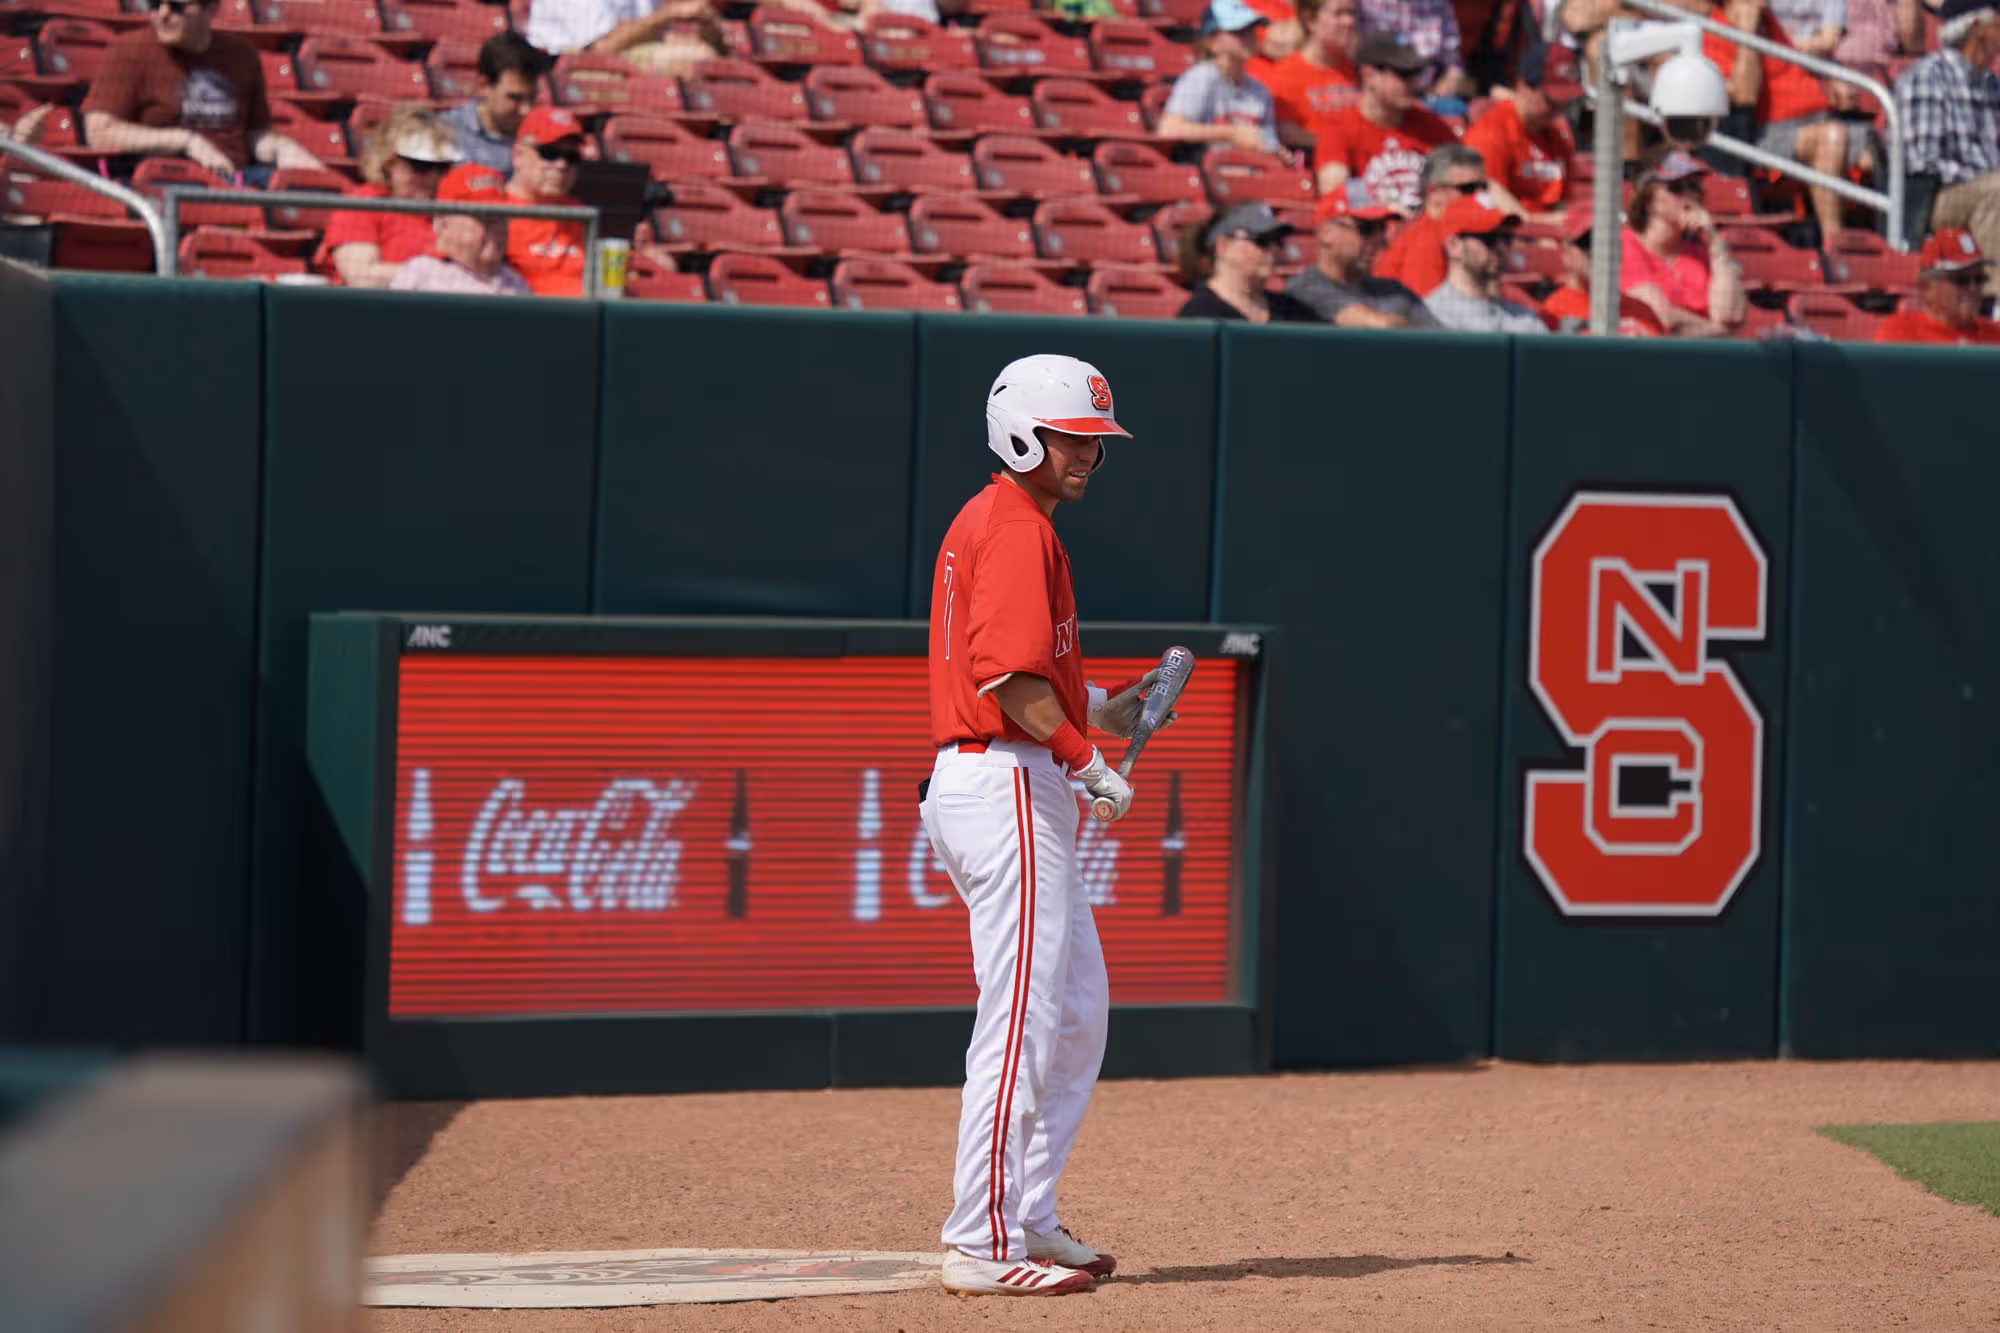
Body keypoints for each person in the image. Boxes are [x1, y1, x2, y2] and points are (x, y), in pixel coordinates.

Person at [924, 354, 1145, 1298]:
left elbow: (1033, 677)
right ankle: (980, 1239)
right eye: (1073, 437)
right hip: (1005, 780)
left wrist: (1110, 711)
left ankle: (1025, 1214)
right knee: (1020, 1016)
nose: (1088, 452)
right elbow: (1006, 682)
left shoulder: (1007, 523)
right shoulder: (1014, 527)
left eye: (1096, 439)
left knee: (1076, 1010)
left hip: (1006, 775)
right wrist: (1088, 761)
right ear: (1022, 432)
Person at [81, 0, 321, 181]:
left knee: (307, 190)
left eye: (177, 6)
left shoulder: (241, 56)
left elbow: (256, 135)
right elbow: (99, 132)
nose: (163, 15)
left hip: (238, 177)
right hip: (169, 178)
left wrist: (285, 151)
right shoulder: (128, 50)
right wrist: (186, 141)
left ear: (212, 9)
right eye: (155, 3)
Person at [1705, 0, 1877, 244]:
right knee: (1832, 137)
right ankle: (1836, 246)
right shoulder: (1715, 30)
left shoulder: (1770, 21)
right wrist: (1746, 31)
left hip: (1820, 116)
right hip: (1770, 134)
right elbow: (1744, 95)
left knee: (1888, 145)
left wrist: (1831, 83)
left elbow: (1796, 68)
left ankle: (1905, 246)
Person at [1896, 0, 2000, 300]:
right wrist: (1983, 177)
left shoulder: (1991, 86)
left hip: (1980, 188)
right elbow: (1924, 160)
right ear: (1977, 30)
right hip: (1933, 198)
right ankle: (1995, 300)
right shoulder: (1927, 76)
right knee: (1996, 189)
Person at [316, 105, 461, 289]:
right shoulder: (361, 206)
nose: (433, 177)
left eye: (442, 167)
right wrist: (440, 275)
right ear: (388, 162)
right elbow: (362, 277)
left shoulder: (451, 208)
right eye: (420, 166)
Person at [1312, 32, 1459, 214]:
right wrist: (1388, 207)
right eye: (1404, 74)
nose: (1414, 83)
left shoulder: (1431, 125)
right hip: (1372, 232)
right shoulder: (1339, 127)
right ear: (1369, 76)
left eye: (1417, 73)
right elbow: (1333, 189)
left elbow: (1466, 181)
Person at [1619, 149, 1748, 335]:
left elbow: (1732, 315)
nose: (1688, 196)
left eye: (1694, 187)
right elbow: (1662, 319)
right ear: (1649, 201)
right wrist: (1719, 331)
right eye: (1675, 188)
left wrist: (1715, 242)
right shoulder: (1625, 245)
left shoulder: (1703, 252)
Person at [1462, 39, 1581, 221]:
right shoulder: (1491, 131)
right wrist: (1553, 223)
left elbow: (1562, 202)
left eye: (1564, 102)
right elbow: (1494, 211)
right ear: (1523, 86)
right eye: (1550, 101)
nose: (1558, 110)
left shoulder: (1557, 134)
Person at [1285, 187, 1442, 325]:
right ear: (1327, 233)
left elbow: (1443, 341)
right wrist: (1408, 327)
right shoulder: (1305, 287)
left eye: (1381, 228)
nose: (1378, 239)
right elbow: (1378, 328)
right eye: (1366, 228)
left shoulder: (1395, 290)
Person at [1155, 0, 1285, 156]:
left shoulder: (1261, 91)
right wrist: (1232, 133)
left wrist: (1278, 154)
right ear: (1212, 42)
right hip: (1207, 174)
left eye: (1250, 28)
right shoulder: (1201, 77)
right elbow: (1169, 129)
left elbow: (1268, 142)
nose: (1248, 35)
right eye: (1237, 30)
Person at [390, 164, 533, 296]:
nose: (497, 227)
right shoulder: (421, 274)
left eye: (501, 217)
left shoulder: (514, 283)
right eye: (484, 217)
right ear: (443, 222)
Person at [1174, 201, 1324, 319]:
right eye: (1262, 240)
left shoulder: (1291, 311)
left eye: (1278, 241)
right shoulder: (1199, 315)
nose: (1274, 250)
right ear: (1223, 246)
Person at [1422, 192, 1549, 332]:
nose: (1500, 248)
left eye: (1506, 238)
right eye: (1490, 238)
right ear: (1453, 246)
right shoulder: (1431, 316)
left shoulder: (1525, 319)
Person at [1372, 141, 1485, 294]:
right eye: (1468, 189)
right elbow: (1426, 310)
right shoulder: (1425, 241)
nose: (1481, 196)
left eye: (1484, 187)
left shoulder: (1451, 231)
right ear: (1434, 192)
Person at [1253, 0, 1361, 153]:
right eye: (1339, 14)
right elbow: (1284, 131)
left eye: (1352, 13)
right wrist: (1337, 147)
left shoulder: (1359, 70)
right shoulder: (1286, 73)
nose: (1349, 22)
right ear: (1310, 21)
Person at [1542, 207, 1669, 334]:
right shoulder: (1553, 312)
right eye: (1589, 242)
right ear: (1566, 252)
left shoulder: (1640, 311)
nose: (1600, 251)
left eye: (1610, 241)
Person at [505, 106, 589, 296]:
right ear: (518, 155)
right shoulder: (495, 211)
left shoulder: (581, 213)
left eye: (571, 157)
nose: (561, 165)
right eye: (549, 153)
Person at [440, 32, 550, 176]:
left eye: (532, 97)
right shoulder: (444, 133)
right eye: (515, 98)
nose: (526, 109)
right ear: (484, 86)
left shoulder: (545, 140)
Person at [1873, 226, 2000, 341]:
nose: (1973, 288)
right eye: (1961, 280)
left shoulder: (1996, 334)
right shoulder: (1899, 334)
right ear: (1925, 286)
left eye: (1979, 279)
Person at [1357, 0, 1474, 96]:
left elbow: (1454, 65)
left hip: (1429, 95)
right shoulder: (1364, 5)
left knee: (1454, 107)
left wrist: (1450, 84)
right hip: (1376, 93)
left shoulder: (1440, 3)